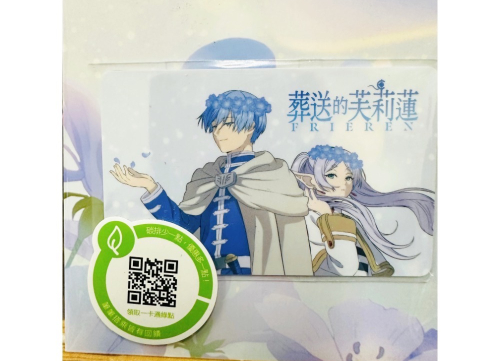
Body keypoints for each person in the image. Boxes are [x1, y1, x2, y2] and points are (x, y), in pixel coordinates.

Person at [111, 90, 312, 276]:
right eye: (215, 126)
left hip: (256, 277)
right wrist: (151, 187)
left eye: (228, 124)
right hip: (208, 277)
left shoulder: (272, 175)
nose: (218, 132)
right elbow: (183, 228)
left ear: (251, 126)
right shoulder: (207, 177)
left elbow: (290, 242)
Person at [291, 145, 434, 277]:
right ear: (309, 181)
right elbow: (344, 268)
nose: (343, 184)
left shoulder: (341, 215)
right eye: (332, 175)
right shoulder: (310, 217)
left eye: (348, 177)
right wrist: (328, 216)